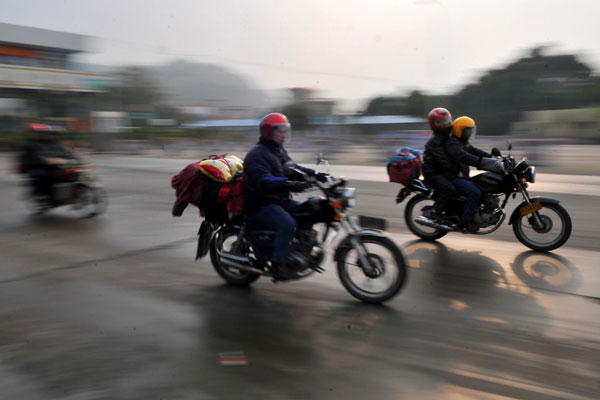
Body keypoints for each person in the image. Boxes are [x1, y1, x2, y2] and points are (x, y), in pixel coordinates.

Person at [243, 113, 328, 279]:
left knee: (309, 210)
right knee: (288, 224)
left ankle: (299, 250)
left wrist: (315, 175)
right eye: (280, 130)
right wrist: (289, 184)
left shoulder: (278, 150)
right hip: (260, 204)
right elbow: (264, 181)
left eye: (285, 130)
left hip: (278, 200)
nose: (284, 134)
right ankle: (277, 263)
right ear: (269, 132)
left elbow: (292, 168)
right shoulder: (257, 154)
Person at [446, 116, 504, 231]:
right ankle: (465, 222)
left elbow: (475, 151)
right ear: (459, 130)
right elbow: (465, 156)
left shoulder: (463, 142)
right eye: (468, 130)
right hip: (453, 176)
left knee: (482, 188)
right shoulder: (453, 143)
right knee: (475, 193)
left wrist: (492, 158)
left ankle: (475, 214)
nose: (470, 132)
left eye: (471, 130)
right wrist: (480, 162)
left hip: (463, 176)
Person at [21, 123, 74, 201]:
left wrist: (72, 157)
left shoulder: (53, 143)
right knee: (47, 175)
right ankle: (46, 195)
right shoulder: (31, 144)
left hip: (53, 165)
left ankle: (68, 194)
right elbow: (37, 156)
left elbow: (63, 152)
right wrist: (48, 160)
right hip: (37, 166)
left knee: (68, 174)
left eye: (47, 133)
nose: (47, 135)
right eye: (43, 133)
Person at [421, 107, 456, 221]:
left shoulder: (446, 137)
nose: (446, 124)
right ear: (434, 124)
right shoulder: (435, 140)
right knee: (448, 188)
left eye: (447, 120)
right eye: (442, 122)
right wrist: (456, 168)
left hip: (441, 171)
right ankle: (435, 212)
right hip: (433, 173)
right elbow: (443, 160)